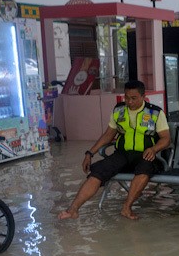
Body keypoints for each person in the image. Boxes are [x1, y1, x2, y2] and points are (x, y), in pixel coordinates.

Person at [58, 80, 171, 220]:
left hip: (145, 155)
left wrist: (154, 149)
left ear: (143, 96)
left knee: (144, 170)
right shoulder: (119, 111)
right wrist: (90, 153)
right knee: (97, 171)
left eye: (134, 98)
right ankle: (73, 209)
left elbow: (166, 139)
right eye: (127, 97)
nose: (129, 102)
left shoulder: (155, 113)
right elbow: (108, 135)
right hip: (122, 154)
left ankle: (126, 208)